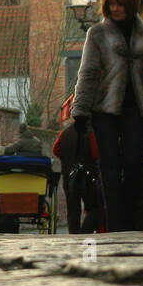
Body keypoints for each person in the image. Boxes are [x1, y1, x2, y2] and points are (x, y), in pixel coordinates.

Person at [71, 0, 143, 232]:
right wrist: (81, 111)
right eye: (112, 4)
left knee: (134, 165)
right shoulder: (97, 34)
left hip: (135, 109)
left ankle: (129, 217)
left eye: (120, 4)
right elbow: (88, 73)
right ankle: (115, 224)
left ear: (130, 6)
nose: (115, 9)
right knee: (110, 167)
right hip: (104, 109)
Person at [54, 95, 104, 234]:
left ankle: (74, 236)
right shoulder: (91, 132)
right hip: (87, 177)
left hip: (68, 176)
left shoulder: (64, 133)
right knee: (95, 207)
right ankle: (84, 232)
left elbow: (56, 150)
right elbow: (96, 153)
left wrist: (67, 160)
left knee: (73, 211)